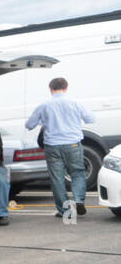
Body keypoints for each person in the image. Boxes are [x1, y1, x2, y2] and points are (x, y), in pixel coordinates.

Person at [25, 77, 96, 218]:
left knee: (57, 178)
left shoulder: (44, 105)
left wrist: (44, 123)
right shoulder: (75, 103)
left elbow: (29, 125)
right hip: (73, 144)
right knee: (77, 173)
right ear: (66, 87)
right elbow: (91, 119)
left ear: (50, 89)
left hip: (52, 146)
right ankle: (78, 200)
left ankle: (65, 211)